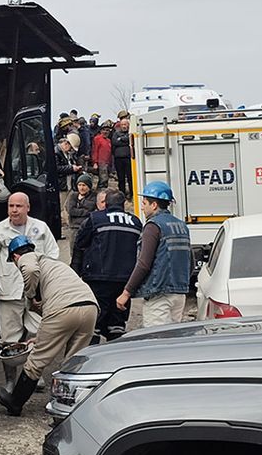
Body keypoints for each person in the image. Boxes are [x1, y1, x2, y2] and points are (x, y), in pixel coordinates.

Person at [0, 236, 98, 416]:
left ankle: (15, 402)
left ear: (15, 256)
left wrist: (30, 294)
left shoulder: (27, 258)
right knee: (74, 361)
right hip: (89, 306)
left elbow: (31, 270)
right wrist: (41, 336)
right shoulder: (55, 265)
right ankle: (70, 404)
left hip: (63, 309)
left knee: (37, 360)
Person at [0, 193, 59, 347]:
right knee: (9, 340)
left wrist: (47, 284)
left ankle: (32, 370)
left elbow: (53, 255)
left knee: (42, 336)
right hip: (9, 292)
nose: (14, 210)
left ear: (28, 208)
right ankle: (10, 371)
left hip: (37, 293)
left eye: (19, 206)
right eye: (11, 206)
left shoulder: (41, 228)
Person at [116, 182, 192, 328]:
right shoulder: (182, 226)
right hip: (179, 294)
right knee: (172, 341)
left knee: (157, 342)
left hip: (159, 295)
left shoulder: (153, 226)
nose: (142, 207)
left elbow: (144, 264)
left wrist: (126, 292)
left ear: (154, 205)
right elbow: (190, 261)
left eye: (144, 203)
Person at [76, 189, 142, 342]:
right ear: (123, 204)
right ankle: (115, 356)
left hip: (98, 278)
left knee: (94, 324)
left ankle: (91, 358)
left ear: (105, 203)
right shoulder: (135, 222)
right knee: (117, 324)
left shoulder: (95, 218)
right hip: (125, 281)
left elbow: (81, 242)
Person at [65, 173, 97, 273]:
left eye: (84, 185)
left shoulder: (94, 197)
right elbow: (71, 210)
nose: (81, 188)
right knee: (74, 252)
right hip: (74, 228)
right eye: (80, 185)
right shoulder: (73, 196)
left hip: (87, 228)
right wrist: (85, 211)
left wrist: (80, 208)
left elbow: (92, 210)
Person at [111, 117, 132, 197]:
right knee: (121, 178)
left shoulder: (130, 133)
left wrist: (121, 139)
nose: (124, 126)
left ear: (128, 125)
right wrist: (125, 141)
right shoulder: (116, 133)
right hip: (118, 159)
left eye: (125, 124)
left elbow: (130, 140)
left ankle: (131, 193)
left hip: (128, 158)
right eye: (122, 124)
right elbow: (115, 142)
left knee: (130, 177)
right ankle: (122, 193)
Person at [91, 120, 113, 189]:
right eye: (104, 130)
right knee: (103, 180)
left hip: (107, 163)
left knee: (106, 180)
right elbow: (95, 150)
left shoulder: (109, 140)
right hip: (101, 162)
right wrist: (95, 162)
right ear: (101, 131)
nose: (105, 132)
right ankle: (100, 193)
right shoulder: (97, 139)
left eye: (107, 130)